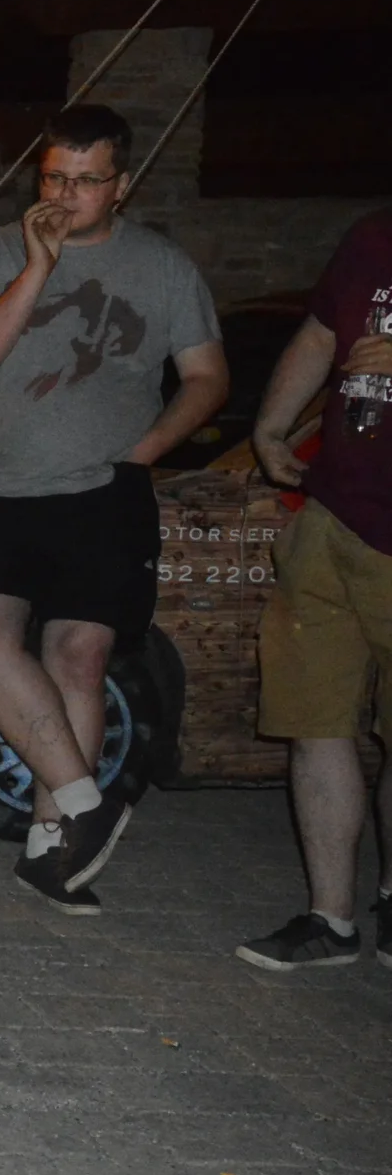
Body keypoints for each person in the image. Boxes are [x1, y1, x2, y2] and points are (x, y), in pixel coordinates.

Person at [0, 104, 227, 909]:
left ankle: (52, 848)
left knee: (80, 660)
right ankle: (86, 805)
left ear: (122, 184)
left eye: (86, 181)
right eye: (53, 179)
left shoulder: (163, 268)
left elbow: (207, 376)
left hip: (105, 491)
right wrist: (38, 266)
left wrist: (150, 447)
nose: (66, 196)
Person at [236, 208, 392, 970]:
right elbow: (321, 334)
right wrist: (272, 425)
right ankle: (329, 919)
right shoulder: (370, 235)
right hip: (332, 519)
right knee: (314, 722)